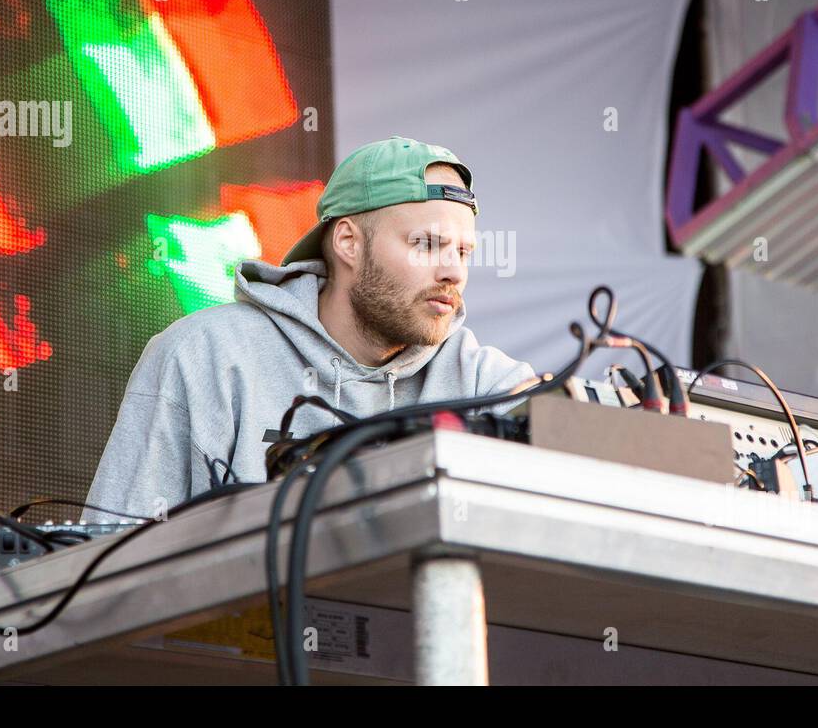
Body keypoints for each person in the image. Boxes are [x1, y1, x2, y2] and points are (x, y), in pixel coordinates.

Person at [86, 136, 536, 521]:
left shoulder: (484, 382)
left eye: (463, 252)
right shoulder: (203, 354)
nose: (454, 272)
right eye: (427, 243)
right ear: (348, 243)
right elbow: (105, 564)